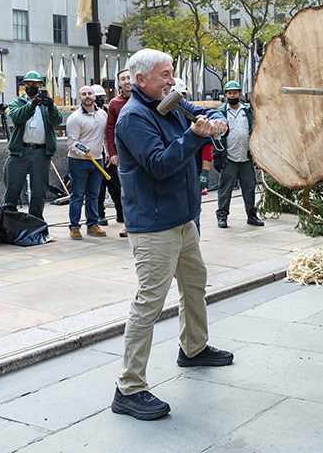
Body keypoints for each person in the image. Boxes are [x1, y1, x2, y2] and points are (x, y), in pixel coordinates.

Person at [111, 48, 232, 421]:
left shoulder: (171, 101)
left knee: (195, 282)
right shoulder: (132, 117)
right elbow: (161, 165)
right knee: (149, 302)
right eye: (165, 75)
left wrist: (215, 120)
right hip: (153, 225)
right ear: (140, 80)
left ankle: (193, 349)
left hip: (183, 218)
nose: (172, 80)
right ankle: (128, 388)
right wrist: (196, 136)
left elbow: (203, 112)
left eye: (172, 73)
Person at [3, 71, 62, 219]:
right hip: (20, 152)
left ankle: (35, 222)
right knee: (12, 189)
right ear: (24, 86)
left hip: (41, 153)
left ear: (41, 86)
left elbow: (57, 121)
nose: (31, 87)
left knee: (39, 191)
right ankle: (8, 221)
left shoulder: (47, 104)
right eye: (28, 84)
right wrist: (31, 106)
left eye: (34, 85)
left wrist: (51, 107)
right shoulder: (17, 103)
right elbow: (16, 117)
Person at [215, 80, 264, 228]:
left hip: (245, 157)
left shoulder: (247, 111)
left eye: (235, 93)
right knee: (225, 189)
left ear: (240, 94)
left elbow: (255, 131)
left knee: (249, 187)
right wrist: (217, 156)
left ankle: (251, 215)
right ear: (225, 95)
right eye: (229, 93)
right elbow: (215, 135)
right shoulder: (221, 112)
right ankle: (222, 216)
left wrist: (256, 154)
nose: (232, 95)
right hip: (228, 157)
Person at [65, 85, 108, 239]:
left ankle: (92, 225)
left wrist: (108, 154)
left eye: (90, 93)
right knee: (77, 195)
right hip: (78, 161)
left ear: (94, 96)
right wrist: (81, 153)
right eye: (84, 94)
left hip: (98, 160)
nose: (87, 96)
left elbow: (104, 138)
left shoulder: (103, 114)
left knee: (93, 195)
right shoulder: (75, 118)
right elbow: (72, 142)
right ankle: (74, 226)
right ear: (80, 98)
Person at [105, 68, 130, 237]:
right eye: (123, 79)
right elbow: (109, 129)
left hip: (147, 151)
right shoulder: (114, 104)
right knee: (127, 191)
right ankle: (130, 224)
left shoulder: (145, 98)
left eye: (129, 77)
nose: (127, 81)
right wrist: (112, 152)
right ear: (119, 83)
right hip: (124, 155)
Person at [91, 85, 111, 227]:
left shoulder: (109, 112)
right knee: (98, 188)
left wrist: (110, 153)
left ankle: (122, 214)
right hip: (95, 153)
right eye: (97, 97)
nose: (99, 100)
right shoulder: (87, 114)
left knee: (116, 185)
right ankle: (99, 214)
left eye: (101, 97)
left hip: (108, 153)